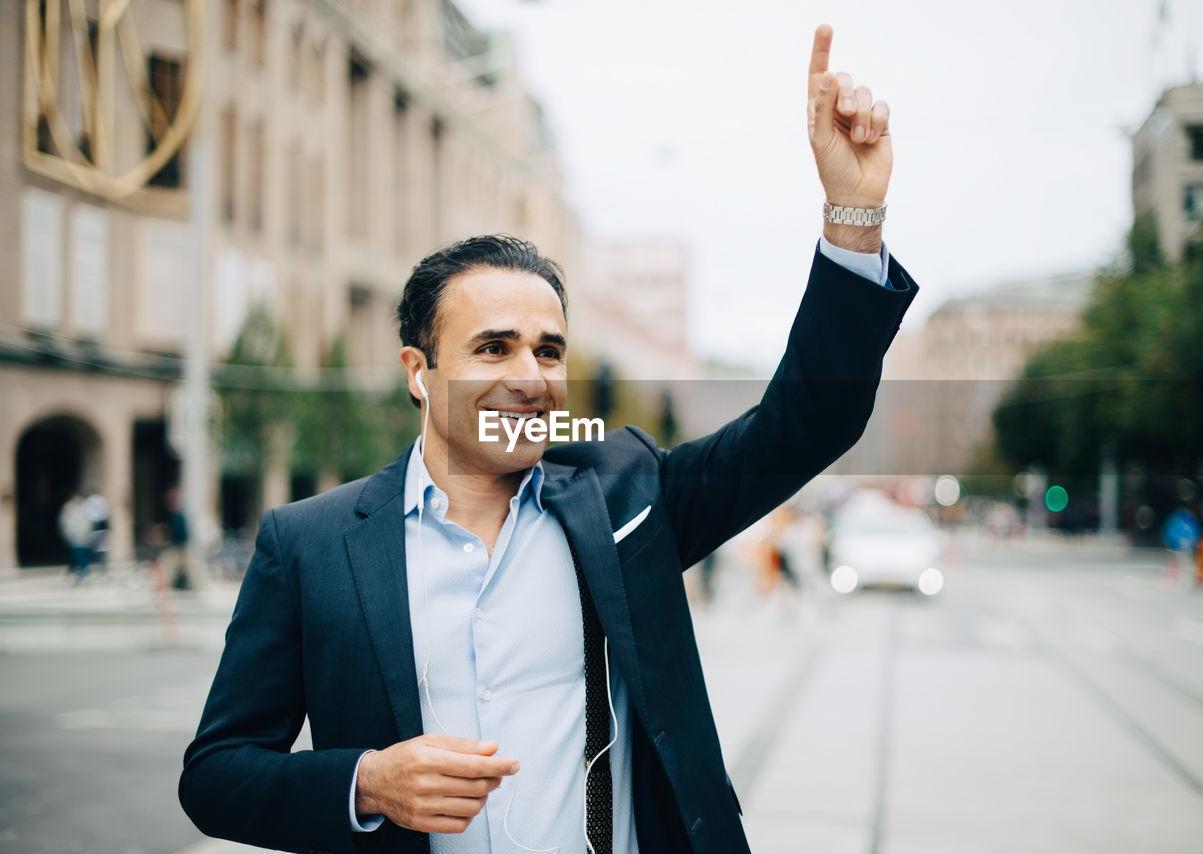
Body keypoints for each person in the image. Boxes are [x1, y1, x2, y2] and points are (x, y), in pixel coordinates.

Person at [180, 26, 918, 854]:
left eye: (550, 349)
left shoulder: (629, 498)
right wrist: (366, 782)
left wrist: (853, 220)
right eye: (493, 347)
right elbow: (216, 774)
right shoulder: (309, 545)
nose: (531, 376)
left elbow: (805, 424)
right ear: (419, 372)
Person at [58, 491, 94, 583]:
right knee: (76, 554)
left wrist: (89, 533)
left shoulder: (85, 507)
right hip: (74, 536)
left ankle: (84, 572)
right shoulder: (68, 507)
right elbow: (65, 522)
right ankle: (79, 572)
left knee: (83, 554)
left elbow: (89, 522)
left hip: (84, 536)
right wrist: (67, 533)